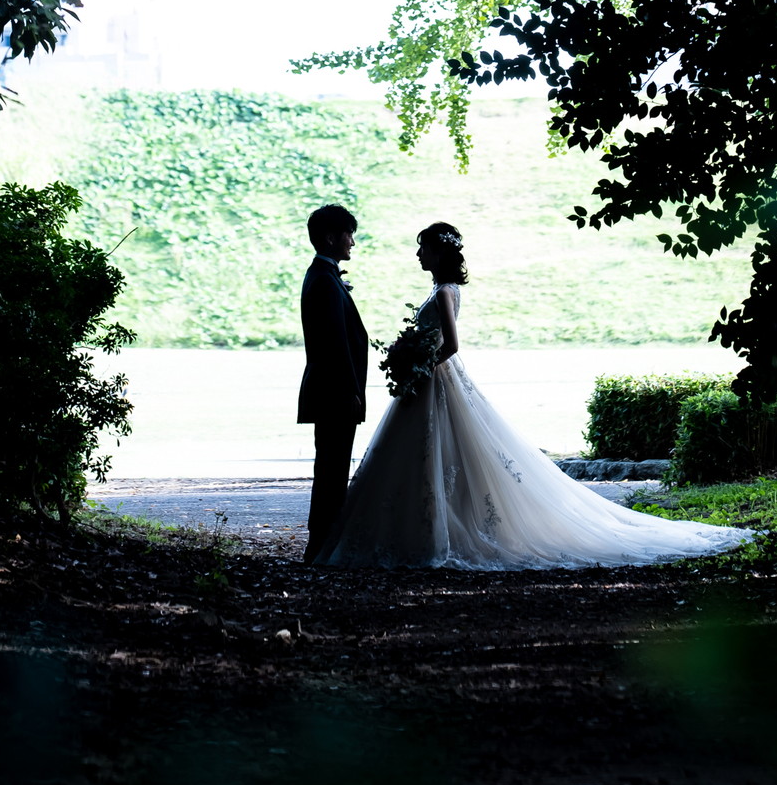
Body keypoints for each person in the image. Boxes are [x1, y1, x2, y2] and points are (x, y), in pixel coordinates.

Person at [311, 221, 751, 570]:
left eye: (423, 246)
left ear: (440, 252)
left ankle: (433, 532)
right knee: (427, 459)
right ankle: (413, 529)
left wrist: (419, 362)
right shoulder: (437, 289)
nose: (418, 253)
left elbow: (452, 344)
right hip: (426, 383)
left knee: (446, 455)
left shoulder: (445, 291)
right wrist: (412, 356)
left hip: (435, 380)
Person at [298, 202, 369, 564]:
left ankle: (323, 544)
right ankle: (321, 545)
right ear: (331, 237)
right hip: (334, 395)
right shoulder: (324, 281)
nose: (352, 242)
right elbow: (334, 345)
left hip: (331, 393)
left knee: (331, 467)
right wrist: (351, 391)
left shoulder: (325, 277)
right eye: (348, 235)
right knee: (331, 470)